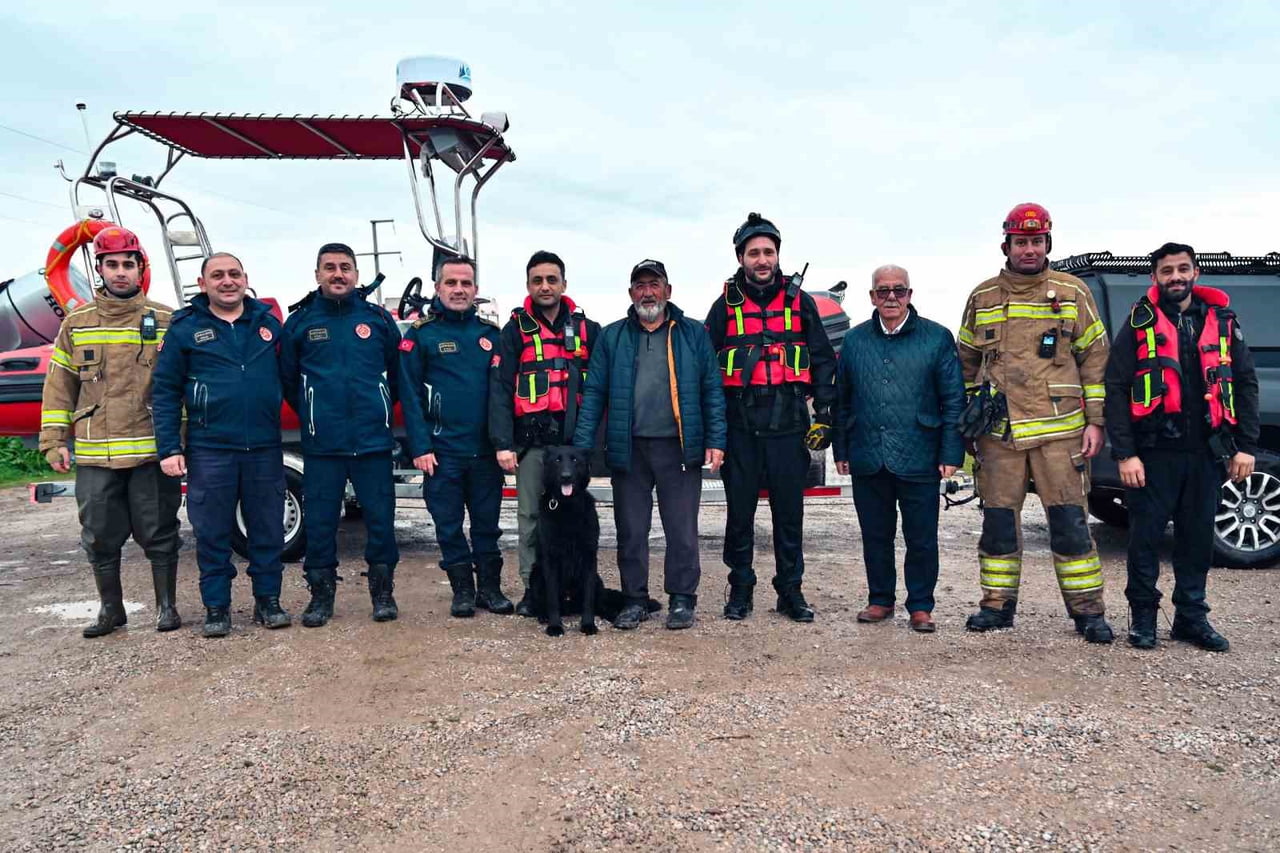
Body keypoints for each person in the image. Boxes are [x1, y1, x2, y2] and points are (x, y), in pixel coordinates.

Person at [957, 203, 1114, 643]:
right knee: (998, 524)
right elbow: (966, 363)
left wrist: (1095, 422)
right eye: (1021, 241)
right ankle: (997, 606)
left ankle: (1088, 612)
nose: (1029, 249)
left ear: (1048, 243)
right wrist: (972, 419)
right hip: (999, 436)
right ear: (1006, 245)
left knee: (1070, 524)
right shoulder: (983, 297)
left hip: (1060, 433)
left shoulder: (1072, 292)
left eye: (1037, 241)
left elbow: (1095, 361)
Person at [1103, 243, 1259, 652]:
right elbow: (1116, 388)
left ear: (1196, 272)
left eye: (1183, 269)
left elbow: (1244, 384)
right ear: (1155, 277)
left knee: (1196, 539)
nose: (1176, 277)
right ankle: (1143, 619)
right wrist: (1125, 452)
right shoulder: (1139, 322)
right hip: (1153, 452)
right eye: (1167, 270)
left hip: (1206, 452)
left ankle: (1191, 618)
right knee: (1144, 539)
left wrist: (1245, 446)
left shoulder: (1222, 322)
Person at [38, 225, 182, 638]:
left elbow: (180, 387)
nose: (121, 272)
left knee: (160, 531)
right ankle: (111, 610)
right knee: (99, 536)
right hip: (96, 453)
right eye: (112, 264)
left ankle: (167, 608)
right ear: (98, 268)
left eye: (128, 264)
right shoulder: (76, 323)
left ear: (141, 269)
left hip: (151, 450)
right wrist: (53, 441)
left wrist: (181, 441)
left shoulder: (167, 320)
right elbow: (59, 385)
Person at [572, 259, 727, 629]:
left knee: (681, 529)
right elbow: (594, 394)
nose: (647, 291)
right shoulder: (612, 337)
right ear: (630, 293)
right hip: (630, 450)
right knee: (631, 529)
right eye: (640, 285)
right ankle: (634, 599)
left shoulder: (692, 334)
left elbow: (712, 390)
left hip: (679, 449)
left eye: (654, 284)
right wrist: (581, 448)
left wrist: (716, 439)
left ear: (668, 291)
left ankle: (682, 600)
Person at [704, 213, 837, 623]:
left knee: (789, 516)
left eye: (769, 252)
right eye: (754, 252)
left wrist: (826, 414)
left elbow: (822, 360)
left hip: (788, 425)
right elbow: (707, 370)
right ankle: (740, 587)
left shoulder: (802, 303)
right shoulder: (724, 306)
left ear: (778, 255)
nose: (762, 259)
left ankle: (790, 591)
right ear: (740, 257)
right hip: (741, 427)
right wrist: (714, 431)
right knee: (739, 515)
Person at [152, 252, 290, 637]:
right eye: (218, 275)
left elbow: (290, 378)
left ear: (246, 278)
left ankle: (269, 601)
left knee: (267, 530)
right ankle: (217, 606)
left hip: (264, 447)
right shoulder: (184, 329)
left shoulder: (268, 325)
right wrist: (169, 448)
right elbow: (164, 393)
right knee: (211, 532)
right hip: (211, 449)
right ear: (203, 284)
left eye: (234, 274)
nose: (227, 281)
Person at [834, 265, 965, 632]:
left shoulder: (937, 338)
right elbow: (842, 401)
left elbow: (953, 399)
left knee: (921, 537)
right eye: (883, 291)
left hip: (920, 455)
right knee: (875, 534)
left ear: (910, 294)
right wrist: (841, 449)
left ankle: (921, 605)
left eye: (899, 290)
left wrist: (951, 453)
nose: (891, 297)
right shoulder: (855, 341)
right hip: (867, 455)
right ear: (872, 297)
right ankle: (880, 600)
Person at [280, 242, 402, 627]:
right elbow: (287, 382)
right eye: (329, 267)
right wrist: (315, 414)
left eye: (345, 267)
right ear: (317, 274)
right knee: (319, 524)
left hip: (373, 444)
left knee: (381, 521)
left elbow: (399, 377)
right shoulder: (299, 323)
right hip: (323, 446)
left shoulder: (379, 320)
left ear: (356, 274)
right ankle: (320, 597)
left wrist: (379, 408)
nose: (338, 274)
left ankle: (382, 594)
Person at [488, 251, 602, 616]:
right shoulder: (514, 331)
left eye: (552, 279)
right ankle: (531, 588)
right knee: (530, 518)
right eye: (537, 280)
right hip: (532, 446)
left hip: (574, 446)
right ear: (528, 286)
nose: (545, 286)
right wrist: (503, 444)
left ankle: (577, 588)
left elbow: (601, 388)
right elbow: (501, 390)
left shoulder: (588, 330)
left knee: (579, 518)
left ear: (564, 284)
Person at [399, 257, 512, 618]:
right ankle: (462, 590)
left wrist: (503, 444)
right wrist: (419, 446)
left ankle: (490, 590)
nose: (459, 289)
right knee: (448, 526)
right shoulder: (421, 335)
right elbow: (410, 394)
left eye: (466, 283)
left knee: (487, 526)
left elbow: (503, 396)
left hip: (483, 454)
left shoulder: (491, 336)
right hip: (440, 453)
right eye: (451, 283)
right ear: (438, 288)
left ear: (476, 290)